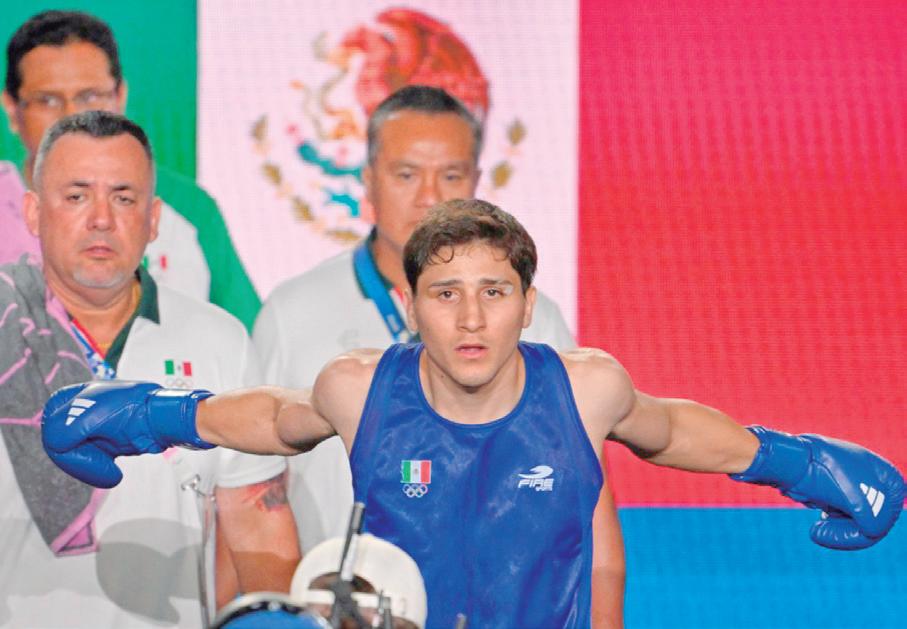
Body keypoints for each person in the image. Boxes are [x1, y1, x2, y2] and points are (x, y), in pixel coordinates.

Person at [42, 199, 905, 628]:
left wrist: (805, 464)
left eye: (494, 291)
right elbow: (272, 417)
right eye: (444, 292)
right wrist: (145, 413)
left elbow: (673, 430)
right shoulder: (359, 386)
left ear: (527, 305)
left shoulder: (585, 387)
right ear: (409, 303)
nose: (469, 317)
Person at [254, 86, 624, 625]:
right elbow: (258, 495)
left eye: (450, 175)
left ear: (477, 179)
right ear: (368, 179)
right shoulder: (293, 312)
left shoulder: (535, 318)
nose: (429, 196)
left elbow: (588, 505)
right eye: (406, 174)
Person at [0, 110, 299, 628]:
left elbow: (258, 519)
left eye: (124, 198)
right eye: (76, 196)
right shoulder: (8, 323)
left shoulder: (218, 338)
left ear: (154, 219)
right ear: (32, 211)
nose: (101, 219)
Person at [1, 9, 261, 329]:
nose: (71, 116)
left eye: (89, 96)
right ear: (12, 109)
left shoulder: (189, 209)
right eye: (48, 100)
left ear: (120, 96)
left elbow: (247, 340)